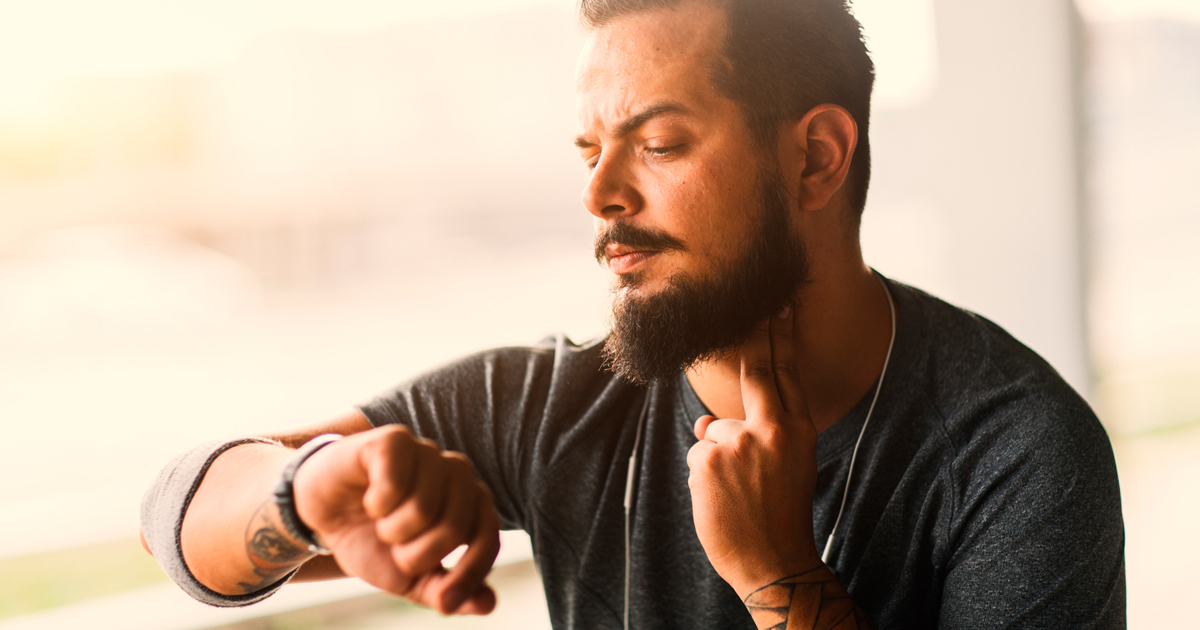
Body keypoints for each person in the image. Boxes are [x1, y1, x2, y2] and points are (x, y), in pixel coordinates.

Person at [140, 0, 1126, 628]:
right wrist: (309, 492)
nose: (600, 194)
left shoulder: (1017, 450)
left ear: (816, 159)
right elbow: (172, 525)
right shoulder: (556, 401)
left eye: (657, 143)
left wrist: (779, 573)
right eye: (587, 151)